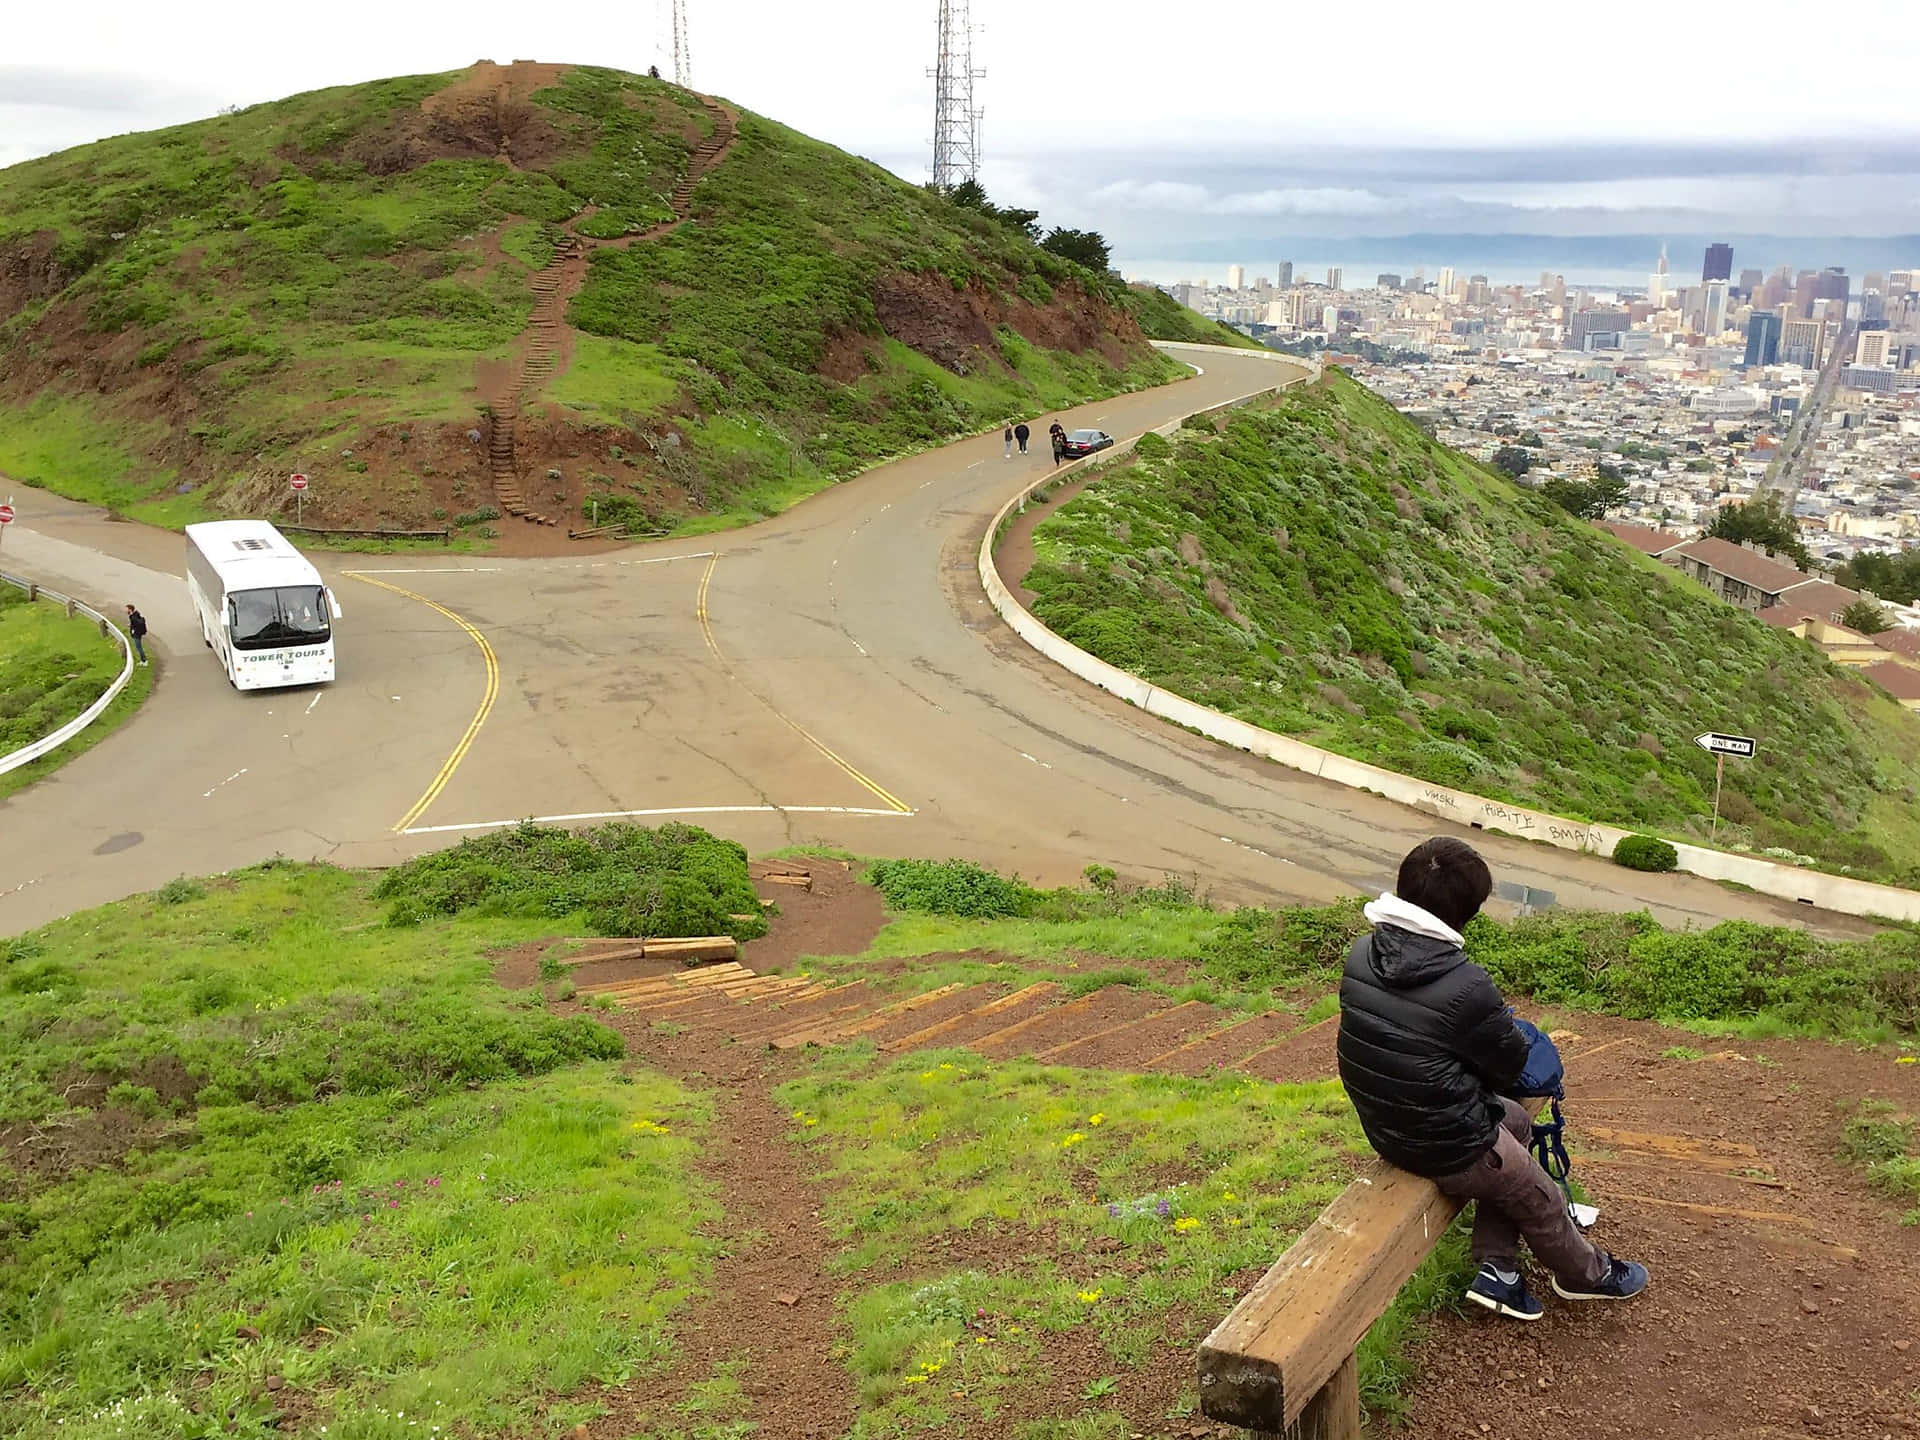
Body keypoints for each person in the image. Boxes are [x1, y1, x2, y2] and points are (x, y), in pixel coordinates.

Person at [1336, 837, 1649, 1321]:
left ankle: (1498, 1272)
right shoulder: (1466, 984)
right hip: (1448, 1146)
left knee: (1518, 1127)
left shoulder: (1361, 954)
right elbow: (1509, 1072)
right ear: (1467, 913)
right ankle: (1587, 1275)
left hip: (1385, 1125)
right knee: (1534, 1189)